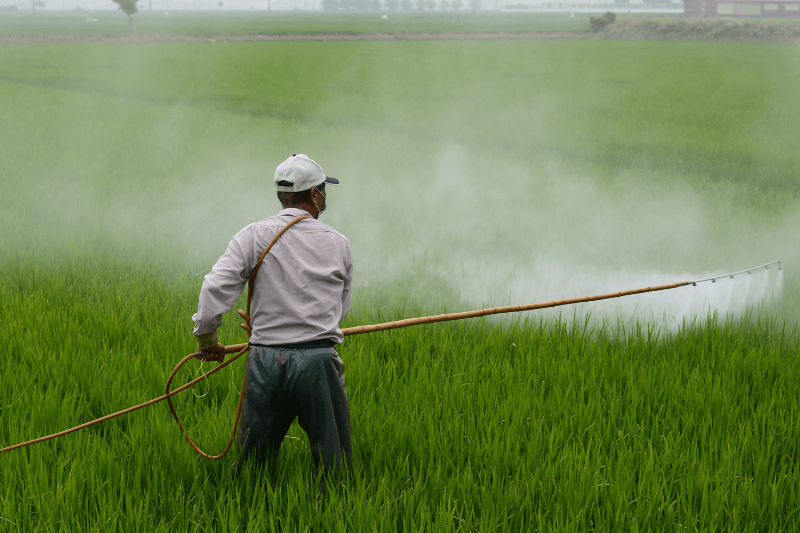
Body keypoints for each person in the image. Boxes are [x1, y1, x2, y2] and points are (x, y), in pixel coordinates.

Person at [191, 154, 354, 484]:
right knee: (334, 466)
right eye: (323, 189)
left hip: (265, 360)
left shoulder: (252, 235)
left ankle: (246, 513)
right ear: (314, 195)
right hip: (319, 362)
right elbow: (340, 310)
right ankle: (336, 514)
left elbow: (214, 288)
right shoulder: (338, 243)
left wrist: (208, 342)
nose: (325, 196)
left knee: (253, 468)